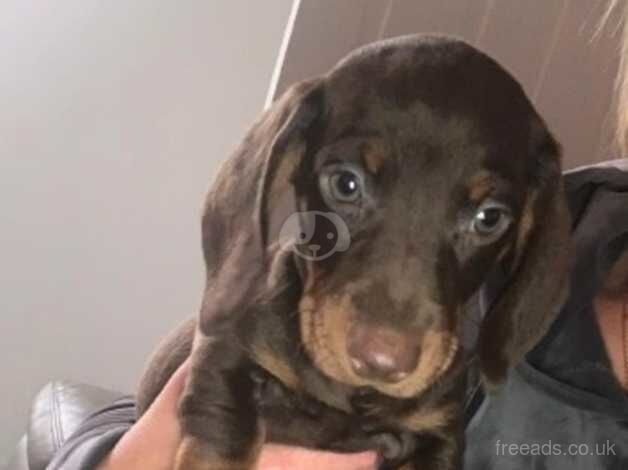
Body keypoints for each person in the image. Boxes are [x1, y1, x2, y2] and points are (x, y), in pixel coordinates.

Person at [47, 3, 628, 469]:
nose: (387, 349)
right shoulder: (264, 321)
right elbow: (114, 423)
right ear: (285, 171)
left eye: (485, 219)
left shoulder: (461, 368)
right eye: (347, 185)